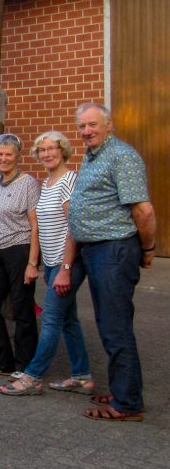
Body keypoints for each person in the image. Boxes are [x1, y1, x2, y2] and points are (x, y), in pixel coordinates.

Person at [55, 102, 155, 422]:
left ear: (109, 124)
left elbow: (144, 211)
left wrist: (148, 248)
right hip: (96, 251)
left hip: (113, 251)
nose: (86, 131)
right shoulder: (92, 155)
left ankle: (128, 405)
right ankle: (123, 390)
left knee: (116, 328)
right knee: (109, 325)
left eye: (93, 125)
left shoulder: (121, 156)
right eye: (82, 126)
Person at [0, 131, 91, 396]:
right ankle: (82, 377)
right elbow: (41, 226)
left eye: (52, 148)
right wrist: (40, 264)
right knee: (68, 320)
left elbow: (74, 227)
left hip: (67, 263)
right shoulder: (49, 182)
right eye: (42, 150)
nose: (47, 154)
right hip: (53, 263)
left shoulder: (68, 181)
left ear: (63, 151)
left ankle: (33, 377)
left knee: (50, 320)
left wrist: (65, 268)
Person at [0, 134, 41, 377]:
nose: (3, 159)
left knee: (22, 308)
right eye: (0, 154)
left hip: (19, 250)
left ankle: (25, 365)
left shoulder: (29, 184)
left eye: (8, 155)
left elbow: (36, 225)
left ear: (18, 156)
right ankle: (2, 359)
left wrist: (33, 263)